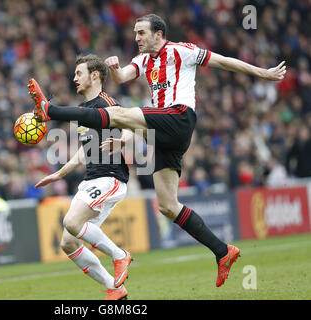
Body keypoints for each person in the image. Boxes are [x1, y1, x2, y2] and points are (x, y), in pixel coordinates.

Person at [28, 14, 286, 287]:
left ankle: (50, 111)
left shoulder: (181, 51)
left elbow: (223, 61)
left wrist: (263, 73)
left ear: (159, 34)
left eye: (141, 33)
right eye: (135, 33)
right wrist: (115, 69)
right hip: (163, 133)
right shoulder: (142, 61)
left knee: (115, 113)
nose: (136, 38)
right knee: (167, 205)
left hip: (179, 115)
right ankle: (223, 252)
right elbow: (124, 76)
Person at [34, 54, 133, 300]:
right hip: (90, 181)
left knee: (70, 222)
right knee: (68, 242)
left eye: (79, 73)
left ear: (95, 75)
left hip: (110, 178)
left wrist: (121, 141)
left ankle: (120, 255)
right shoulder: (85, 111)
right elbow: (83, 153)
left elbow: (132, 126)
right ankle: (115, 287)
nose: (74, 78)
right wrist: (58, 174)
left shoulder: (105, 102)